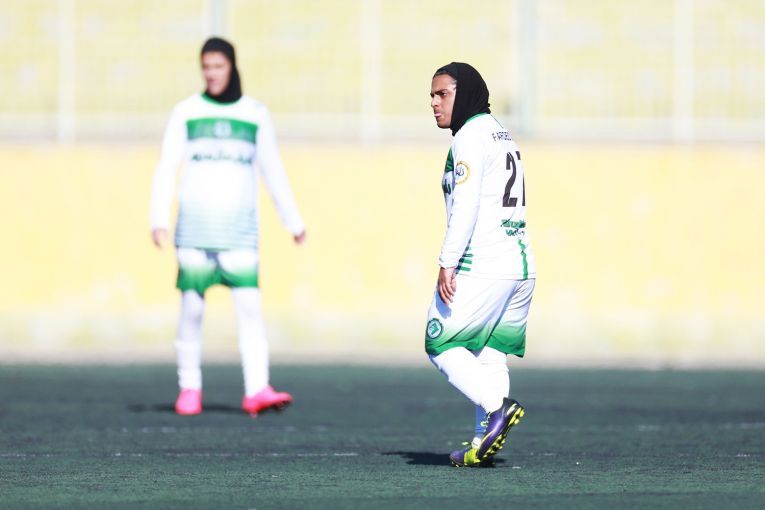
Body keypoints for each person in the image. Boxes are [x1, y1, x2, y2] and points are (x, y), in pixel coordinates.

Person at [149, 37, 306, 417]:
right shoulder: (186, 112)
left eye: (218, 66)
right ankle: (189, 388)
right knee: (192, 310)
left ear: (232, 67)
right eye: (206, 67)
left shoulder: (255, 114)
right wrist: (158, 217)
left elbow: (272, 169)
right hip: (195, 232)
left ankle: (257, 389)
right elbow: (167, 166)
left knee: (250, 310)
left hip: (239, 234)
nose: (212, 73)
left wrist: (293, 220)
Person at [425, 62, 536, 467]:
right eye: (431, 96)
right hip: (520, 265)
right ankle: (481, 443)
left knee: (439, 343)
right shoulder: (500, 133)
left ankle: (496, 409)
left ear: (466, 92)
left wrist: (447, 261)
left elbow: (467, 204)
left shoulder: (470, 136)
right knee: (489, 354)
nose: (434, 103)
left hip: (484, 263)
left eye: (443, 94)